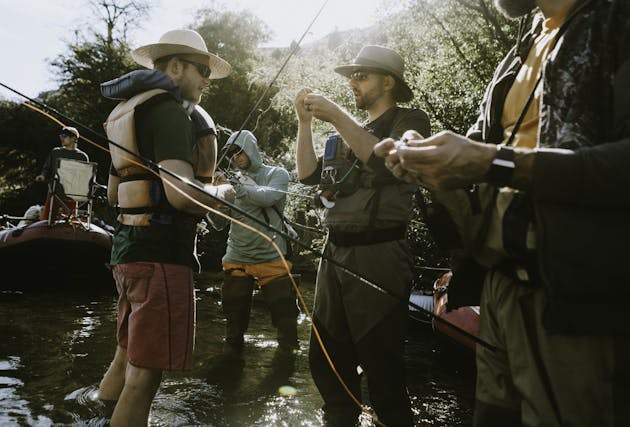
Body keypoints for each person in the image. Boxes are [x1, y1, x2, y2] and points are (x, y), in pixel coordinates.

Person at [375, 1, 630, 425]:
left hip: (577, 303)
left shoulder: (625, 21)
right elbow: (483, 153)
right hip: (497, 291)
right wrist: (426, 158)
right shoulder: (524, 44)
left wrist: (491, 162)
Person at [96, 28, 236, 426]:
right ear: (175, 66)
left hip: (126, 254)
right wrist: (222, 192)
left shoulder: (130, 111)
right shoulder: (173, 111)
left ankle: (94, 417)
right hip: (161, 256)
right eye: (202, 70)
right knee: (146, 372)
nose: (207, 80)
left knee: (126, 353)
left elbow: (111, 193)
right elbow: (179, 197)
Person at [294, 45, 430, 426]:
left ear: (388, 82)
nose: (352, 82)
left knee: (381, 368)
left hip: (379, 253)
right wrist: (304, 123)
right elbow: (307, 176)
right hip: (332, 256)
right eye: (350, 76)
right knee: (327, 363)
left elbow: (390, 164)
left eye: (361, 75)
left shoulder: (410, 119)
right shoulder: (348, 134)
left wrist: (335, 115)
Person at [213, 129, 300, 353]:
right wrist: (216, 198)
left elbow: (267, 197)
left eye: (238, 151)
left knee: (286, 324)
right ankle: (231, 371)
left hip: (272, 256)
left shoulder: (277, 173)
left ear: (250, 148)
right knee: (233, 327)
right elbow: (217, 223)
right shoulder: (230, 182)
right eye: (231, 154)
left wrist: (238, 189)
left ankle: (286, 368)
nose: (235, 157)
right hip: (237, 256)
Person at [35, 126, 89, 220]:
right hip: (55, 190)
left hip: (72, 193)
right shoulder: (55, 152)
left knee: (71, 220)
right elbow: (47, 168)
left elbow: (84, 177)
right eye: (61, 136)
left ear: (74, 138)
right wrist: (43, 176)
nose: (62, 139)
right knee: (47, 219)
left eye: (65, 136)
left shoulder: (82, 156)